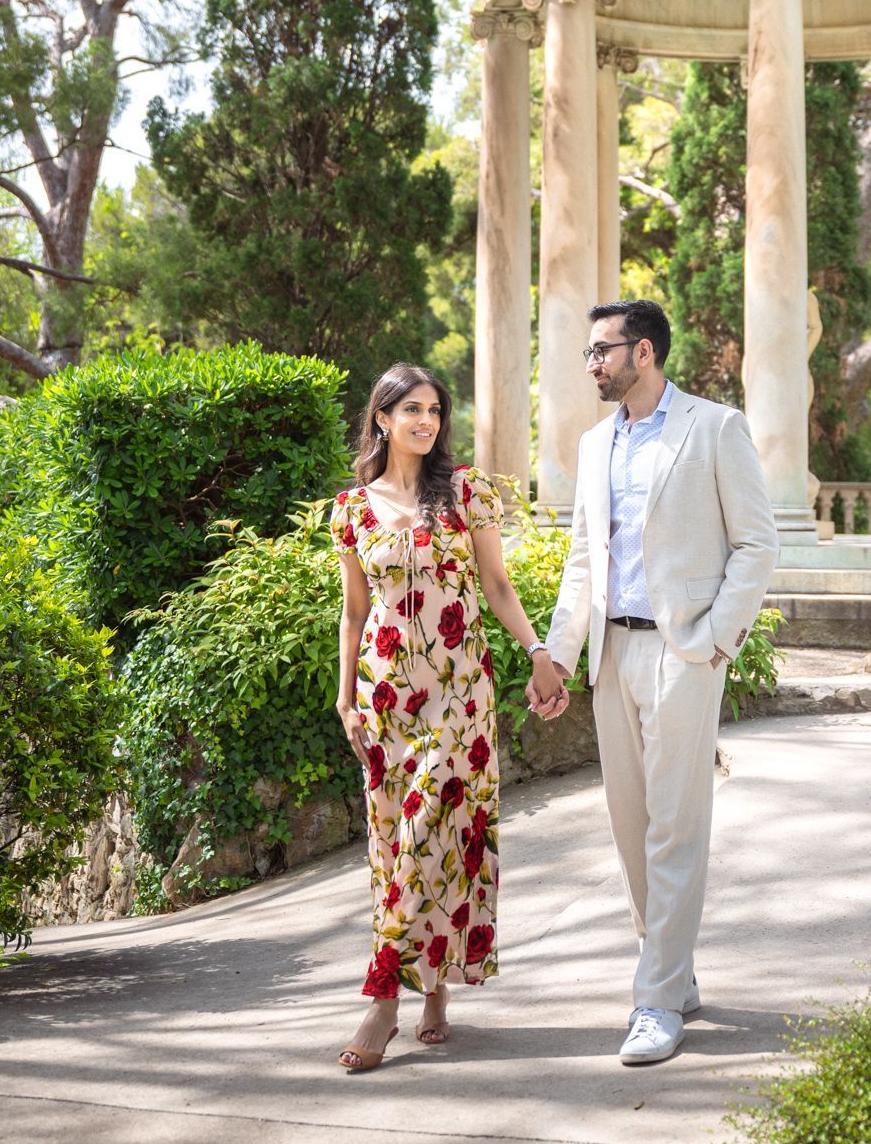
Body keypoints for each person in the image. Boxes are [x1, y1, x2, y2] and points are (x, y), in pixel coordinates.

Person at [527, 299, 778, 1066]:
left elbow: (756, 544)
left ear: (642, 352)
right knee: (630, 824)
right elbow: (582, 562)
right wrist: (558, 655)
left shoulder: (714, 428)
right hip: (611, 657)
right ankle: (671, 968)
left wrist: (711, 641)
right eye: (589, 353)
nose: (591, 364)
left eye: (600, 351)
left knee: (675, 825)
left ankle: (655, 997)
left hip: (681, 654)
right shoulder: (595, 441)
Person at [331, 361, 564, 1072]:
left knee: (436, 824)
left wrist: (538, 652)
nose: (425, 422)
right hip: (383, 696)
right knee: (394, 843)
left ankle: (383, 1000)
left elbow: (496, 583)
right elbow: (352, 612)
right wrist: (344, 695)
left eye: (433, 410)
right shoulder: (350, 508)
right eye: (410, 411)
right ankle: (432, 986)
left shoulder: (466, 493)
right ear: (381, 419)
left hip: (458, 693)